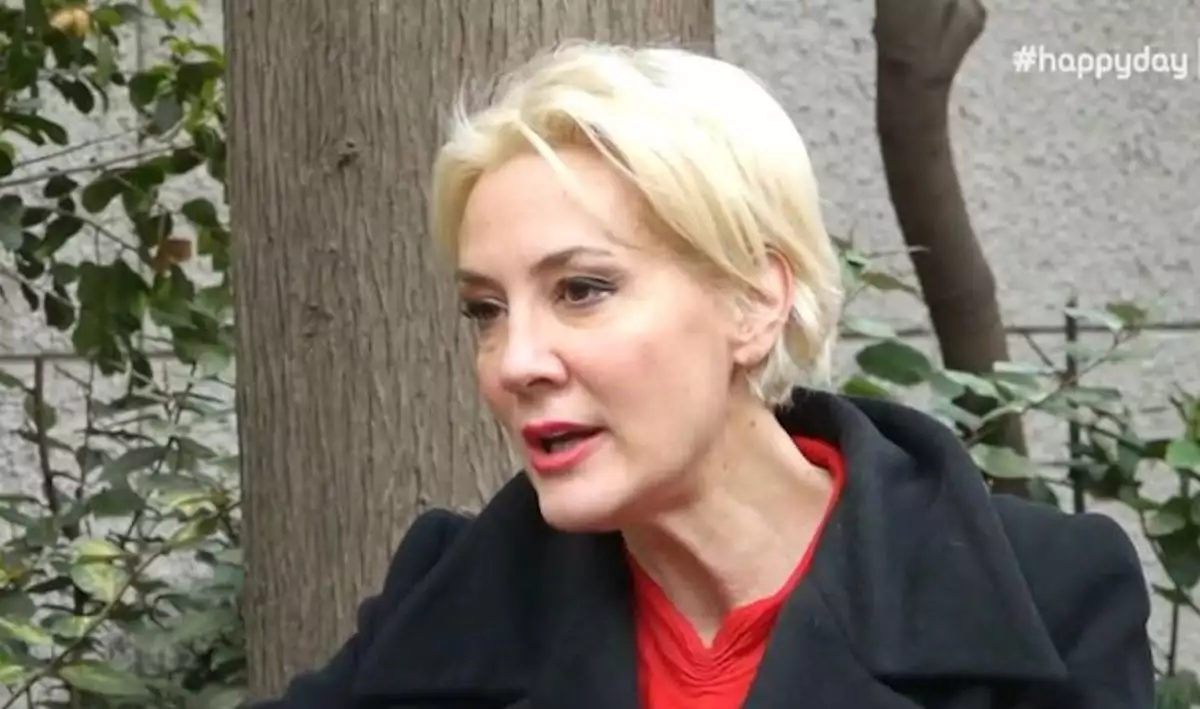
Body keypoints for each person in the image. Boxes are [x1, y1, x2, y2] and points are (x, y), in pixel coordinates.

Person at [250, 41, 1154, 709]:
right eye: (485, 309)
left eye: (582, 289)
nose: (515, 361)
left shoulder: (1049, 597)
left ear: (754, 303)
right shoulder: (449, 608)